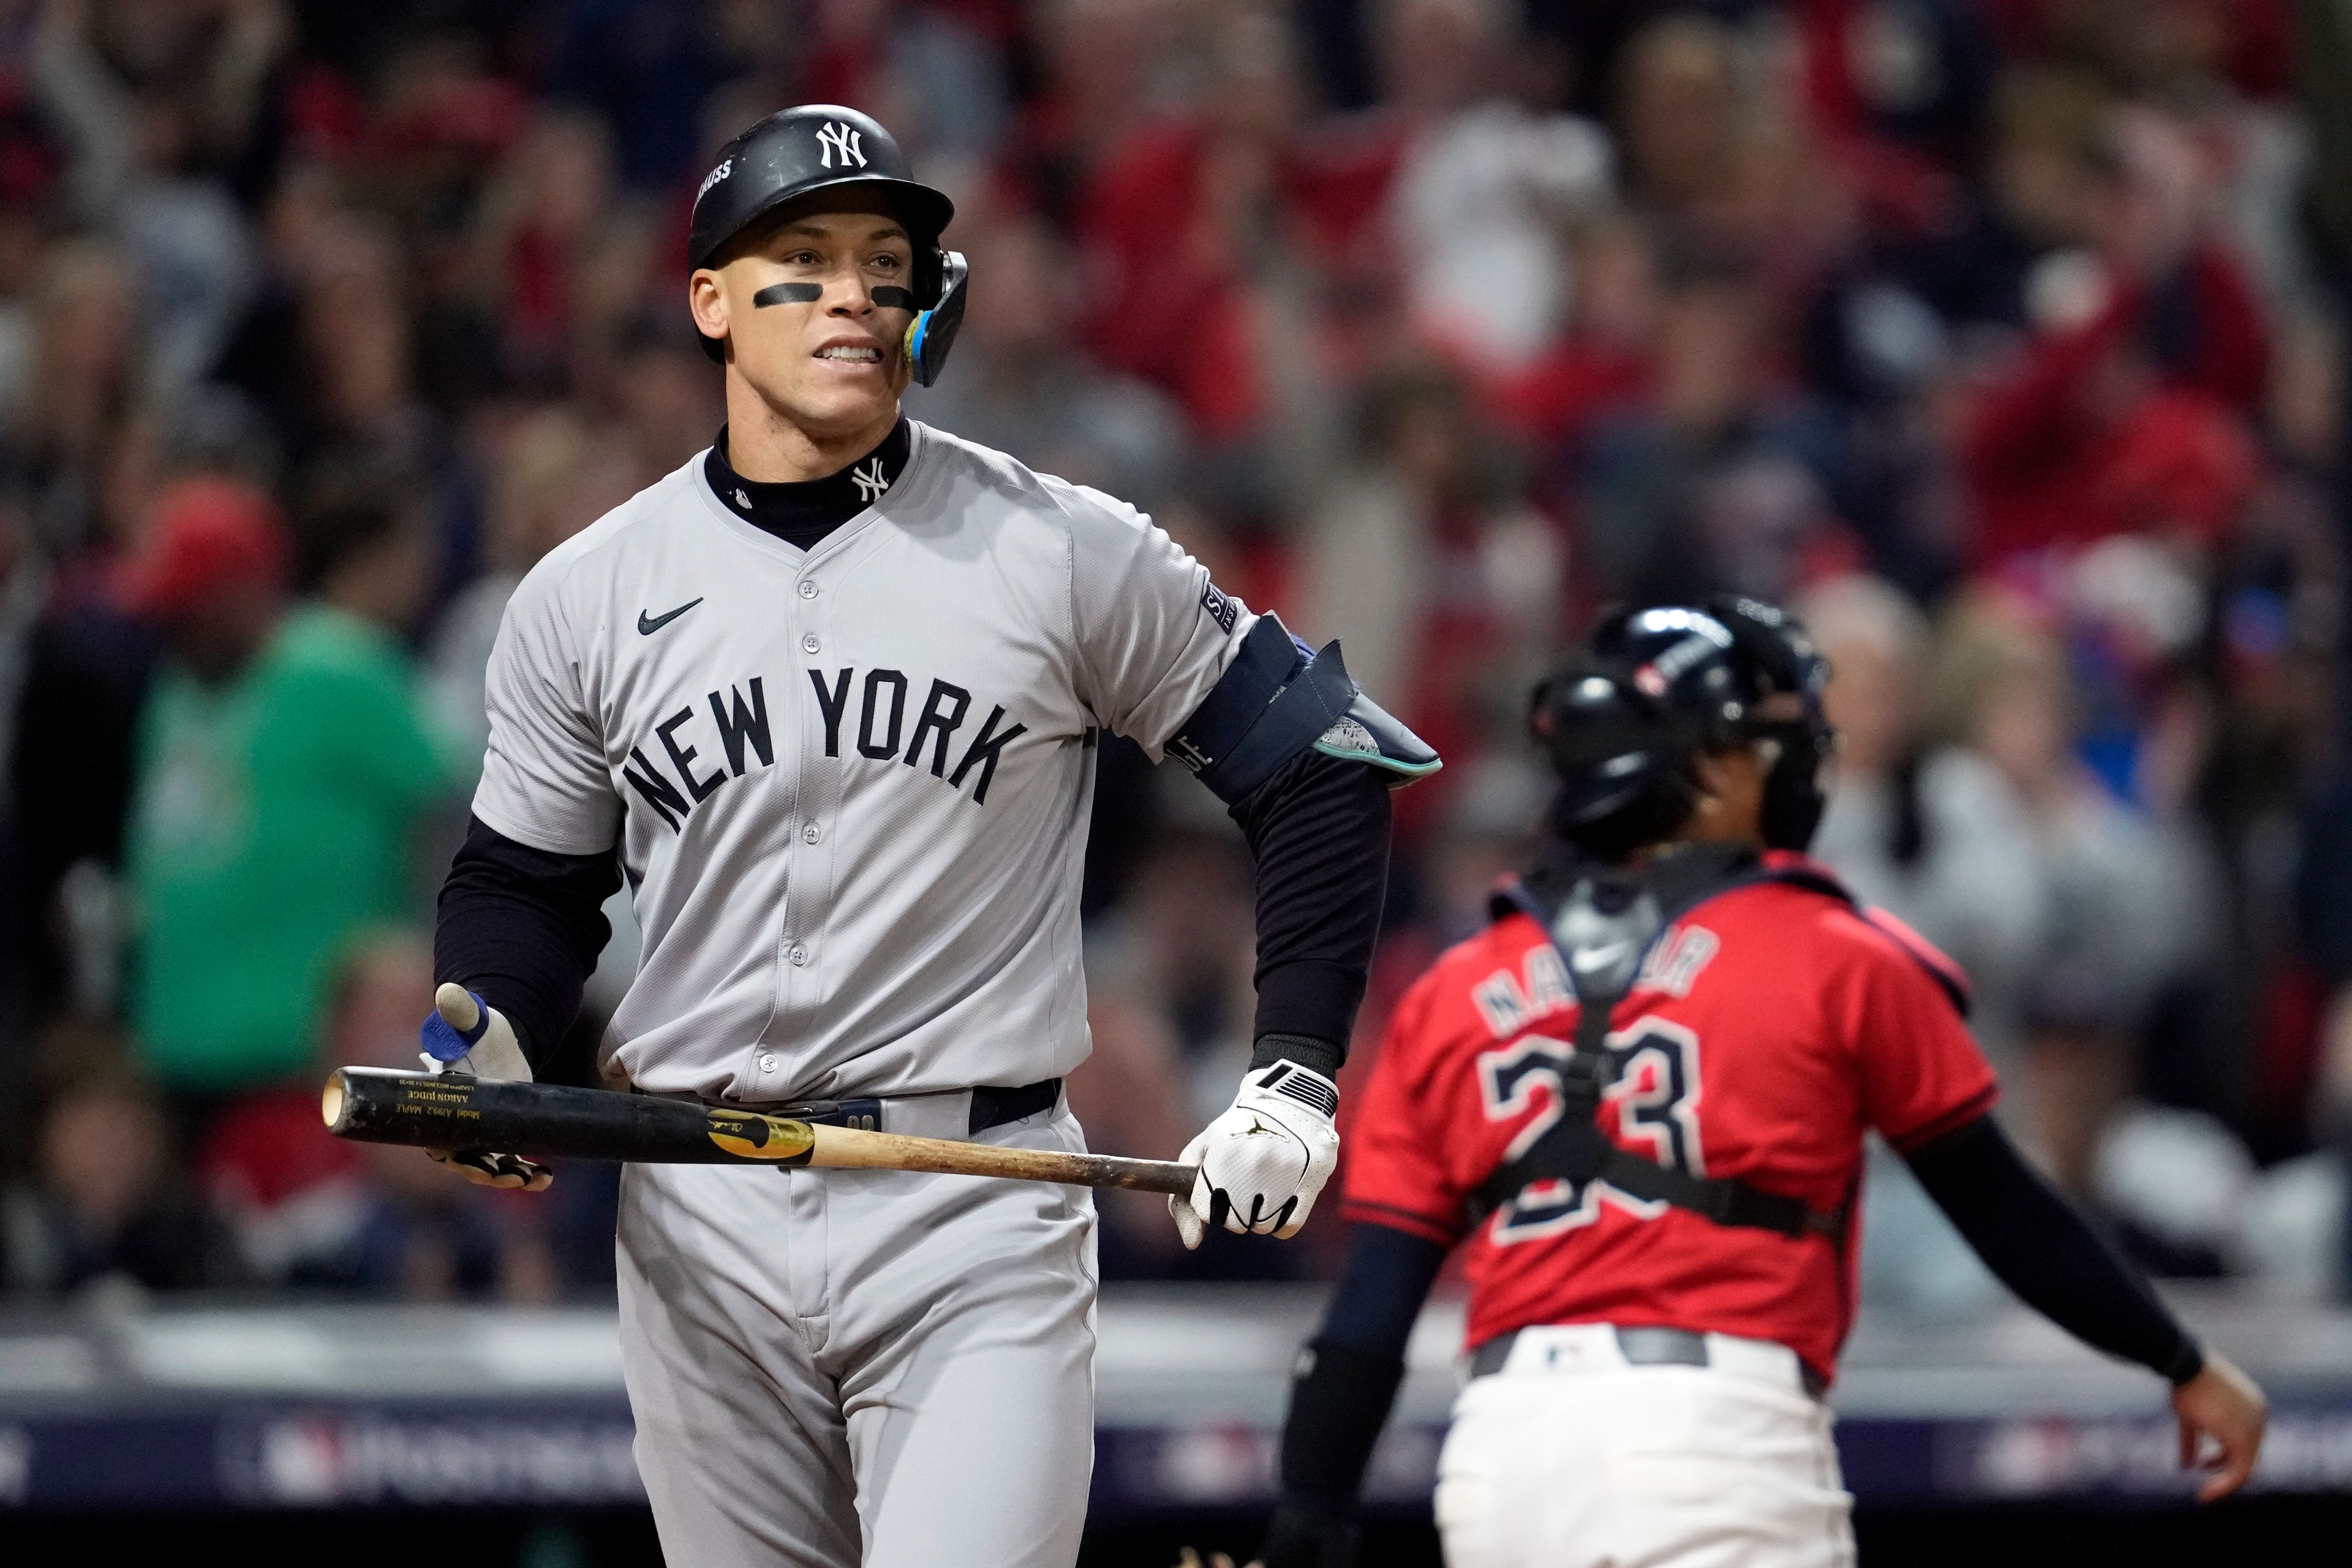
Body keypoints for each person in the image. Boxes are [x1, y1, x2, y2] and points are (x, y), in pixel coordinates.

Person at [420, 105, 1435, 1568]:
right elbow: (526, 876)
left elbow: (1326, 761)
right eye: (806, 259)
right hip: (697, 1215)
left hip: (972, 1201)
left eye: (884, 263)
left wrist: (1292, 1075)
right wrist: (493, 1033)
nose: (851, 293)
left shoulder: (1058, 544)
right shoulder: (588, 592)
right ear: (709, 300)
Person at [1242, 599, 2267, 1568]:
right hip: (1719, 1440)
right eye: (1766, 741)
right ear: (1709, 768)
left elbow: (1366, 1326)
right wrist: (2179, 1360)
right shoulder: (1834, 949)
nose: (1795, 763)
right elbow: (2007, 1215)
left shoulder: (1456, 988)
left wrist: (1307, 1517)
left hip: (1503, 1457)